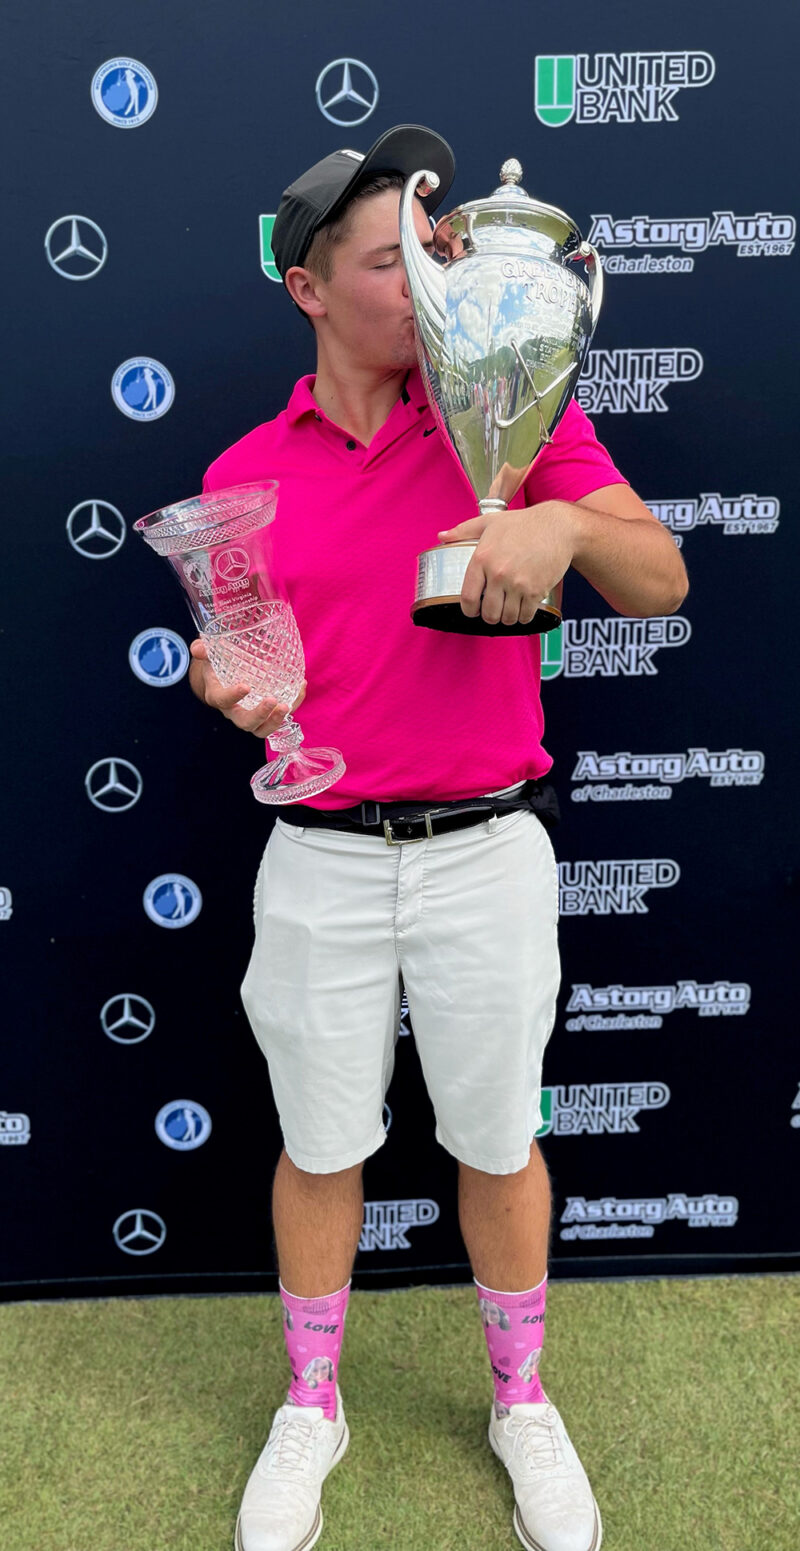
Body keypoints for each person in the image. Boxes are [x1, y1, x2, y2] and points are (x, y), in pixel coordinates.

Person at [189, 124, 688, 1551]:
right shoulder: (245, 466)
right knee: (320, 1144)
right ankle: (313, 1403)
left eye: (435, 251)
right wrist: (228, 683)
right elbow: (239, 653)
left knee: (494, 1137)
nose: (427, 275)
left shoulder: (517, 402)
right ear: (308, 287)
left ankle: (520, 1399)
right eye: (387, 258)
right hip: (324, 854)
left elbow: (659, 576)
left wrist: (564, 538)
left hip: (487, 851)